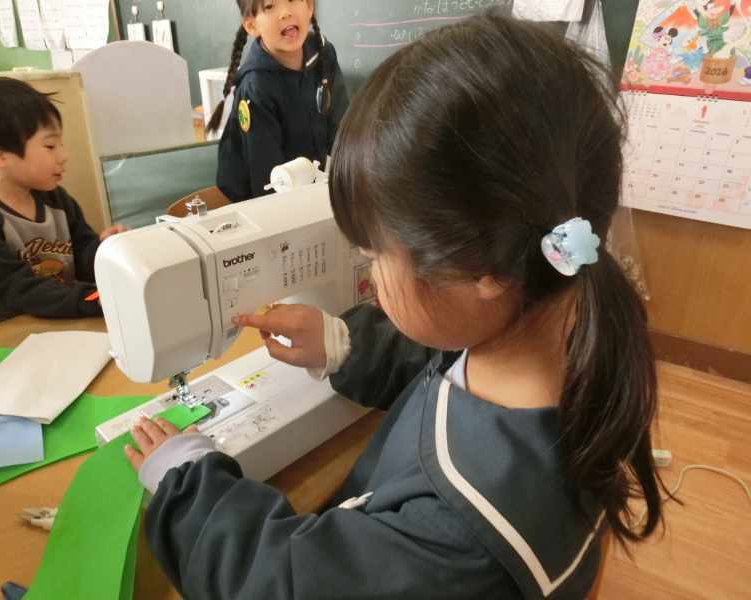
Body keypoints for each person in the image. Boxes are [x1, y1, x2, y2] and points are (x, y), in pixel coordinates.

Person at [125, 14, 664, 599]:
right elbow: (437, 362)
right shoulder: (560, 328)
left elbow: (284, 585)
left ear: (481, 271)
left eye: (374, 253)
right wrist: (342, 343)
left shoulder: (459, 536)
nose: (368, 265)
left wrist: (188, 485)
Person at [0, 77, 125, 328]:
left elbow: (82, 255)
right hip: (10, 331)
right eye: (50, 145)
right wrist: (96, 298)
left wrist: (105, 249)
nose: (63, 156)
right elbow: (17, 288)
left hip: (65, 316)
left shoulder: (55, 197)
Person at [208, 0, 349, 202]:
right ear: (252, 26)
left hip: (308, 183)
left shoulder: (323, 54)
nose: (285, 13)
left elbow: (344, 133)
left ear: (309, 6)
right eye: (270, 6)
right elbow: (267, 186)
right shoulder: (256, 87)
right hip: (261, 200)